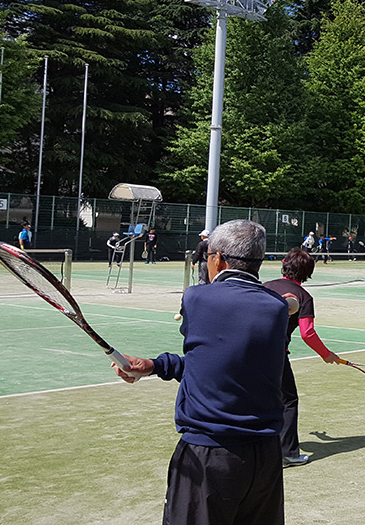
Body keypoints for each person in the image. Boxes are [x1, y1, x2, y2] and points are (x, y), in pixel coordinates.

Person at [111, 220, 291, 524]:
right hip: (266, 458)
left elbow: (204, 358)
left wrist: (158, 366)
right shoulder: (276, 308)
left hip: (209, 454)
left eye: (207, 255)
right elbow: (218, 363)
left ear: (217, 259)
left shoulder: (197, 297)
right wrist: (155, 366)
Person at [264, 248, 343, 467]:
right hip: (275, 355)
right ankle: (288, 454)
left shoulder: (264, 287)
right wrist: (326, 354)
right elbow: (308, 333)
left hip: (247, 352)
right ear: (308, 272)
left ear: (283, 263)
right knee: (288, 401)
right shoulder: (304, 297)